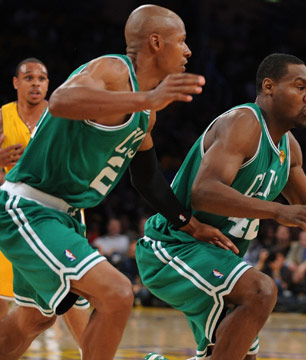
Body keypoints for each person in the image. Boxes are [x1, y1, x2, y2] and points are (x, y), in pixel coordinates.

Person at [0, 6, 234, 360]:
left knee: (34, 320)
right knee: (117, 293)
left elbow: (148, 178)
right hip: (30, 206)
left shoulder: (146, 113)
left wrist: (189, 224)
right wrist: (148, 98)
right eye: (182, 41)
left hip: (64, 217)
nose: (188, 51)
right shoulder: (112, 70)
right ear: (156, 42)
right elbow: (61, 100)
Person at [136, 53, 306, 360]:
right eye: (300, 87)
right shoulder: (243, 123)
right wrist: (277, 210)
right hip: (173, 247)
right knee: (261, 291)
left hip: (212, 259)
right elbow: (204, 192)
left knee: (243, 353)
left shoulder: (289, 148)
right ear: (269, 87)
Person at [0, 57, 90, 348]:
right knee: (4, 299)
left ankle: (92, 354)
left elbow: (81, 163)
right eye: (29, 78)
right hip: (12, 216)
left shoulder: (61, 114)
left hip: (57, 214)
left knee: (74, 297)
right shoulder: (3, 116)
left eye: (41, 78)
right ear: (16, 83)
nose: (36, 83)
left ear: (49, 84)